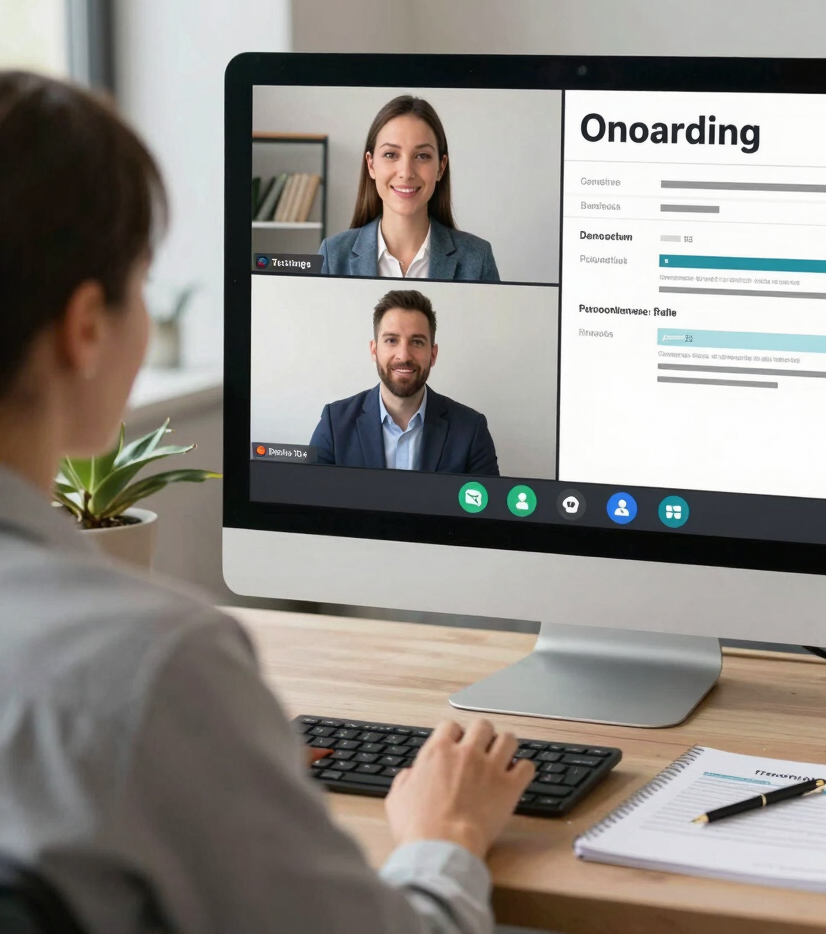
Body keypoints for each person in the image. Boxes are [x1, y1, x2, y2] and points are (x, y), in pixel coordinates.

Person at [0, 71, 533, 933]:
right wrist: (447, 835)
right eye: (142, 283)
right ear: (85, 328)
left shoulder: (472, 309)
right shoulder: (156, 667)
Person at [310, 289, 500, 475]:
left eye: (416, 342)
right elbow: (309, 499)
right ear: (374, 351)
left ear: (433, 355)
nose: (403, 355)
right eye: (392, 340)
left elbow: (488, 504)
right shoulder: (334, 423)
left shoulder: (471, 428)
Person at [320, 95, 500, 281]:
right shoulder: (333, 255)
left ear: (441, 167)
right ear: (371, 165)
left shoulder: (478, 258)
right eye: (391, 154)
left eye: (422, 156)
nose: (406, 172)